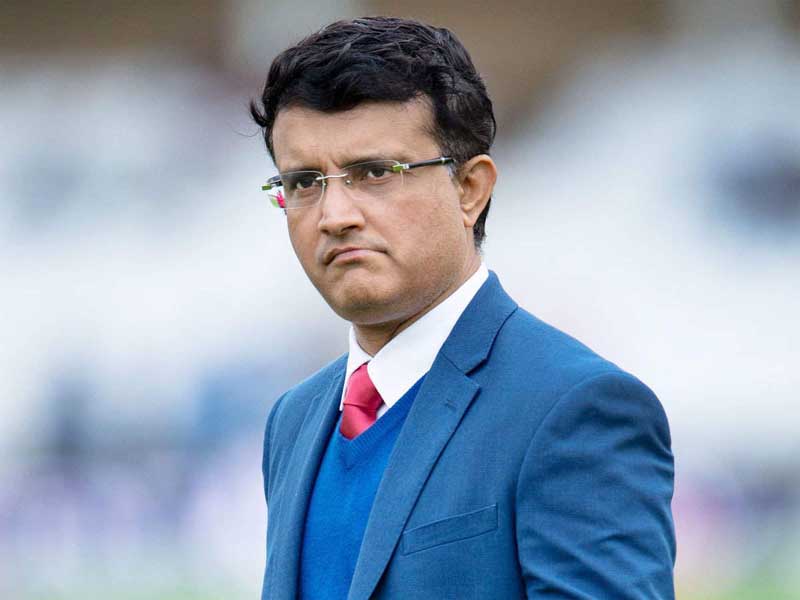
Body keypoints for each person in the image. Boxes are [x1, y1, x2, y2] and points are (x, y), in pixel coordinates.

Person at [249, 16, 675, 600]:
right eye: (304, 182)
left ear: (470, 188)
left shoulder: (574, 407)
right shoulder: (294, 420)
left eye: (375, 172)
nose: (334, 215)